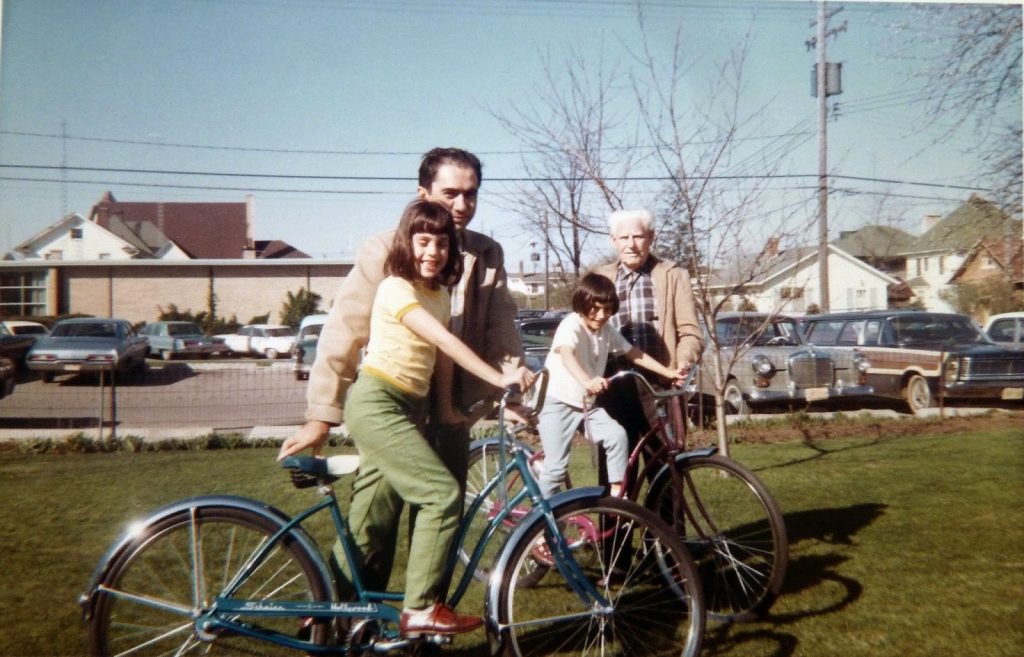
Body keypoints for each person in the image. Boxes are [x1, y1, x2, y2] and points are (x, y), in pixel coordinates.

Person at [278, 148, 529, 627]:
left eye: (470, 194)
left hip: (453, 412)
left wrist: (511, 383)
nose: (461, 204)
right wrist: (320, 416)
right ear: (423, 193)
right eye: (449, 193)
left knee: (441, 521)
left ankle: (420, 631)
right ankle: (338, 620)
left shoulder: (487, 254)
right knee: (373, 521)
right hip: (395, 408)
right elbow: (345, 330)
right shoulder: (385, 250)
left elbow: (502, 328)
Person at [536, 273, 690, 500]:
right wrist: (587, 380)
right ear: (582, 304)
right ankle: (536, 525)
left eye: (607, 309)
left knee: (617, 436)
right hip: (556, 402)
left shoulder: (606, 330)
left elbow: (633, 353)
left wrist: (668, 372)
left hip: (585, 404)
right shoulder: (571, 325)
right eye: (595, 309)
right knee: (556, 469)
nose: (601, 315)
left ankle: (618, 494)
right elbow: (567, 354)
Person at [593, 209, 703, 469]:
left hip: (658, 387)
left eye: (638, 236)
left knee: (666, 470)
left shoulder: (673, 276)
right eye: (624, 238)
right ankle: (616, 511)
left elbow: (690, 332)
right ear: (613, 240)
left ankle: (665, 511)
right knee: (616, 476)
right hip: (613, 387)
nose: (631, 244)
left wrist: (684, 360)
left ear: (651, 237)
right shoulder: (599, 279)